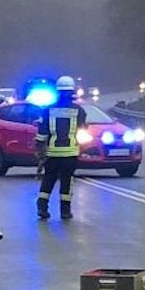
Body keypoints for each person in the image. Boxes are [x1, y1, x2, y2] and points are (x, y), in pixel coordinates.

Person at [35, 75, 86, 220]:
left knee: (48, 178)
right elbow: (83, 129)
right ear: (72, 91)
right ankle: (65, 211)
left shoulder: (47, 110)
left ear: (57, 91)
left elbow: (42, 133)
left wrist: (39, 150)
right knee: (67, 181)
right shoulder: (79, 110)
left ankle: (42, 206)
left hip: (52, 152)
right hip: (70, 153)